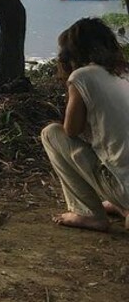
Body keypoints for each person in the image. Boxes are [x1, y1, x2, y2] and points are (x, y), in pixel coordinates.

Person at [41, 17, 129, 232]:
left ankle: (87, 213)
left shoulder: (82, 76)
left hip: (124, 186)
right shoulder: (125, 73)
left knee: (51, 133)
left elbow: (71, 130)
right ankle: (121, 206)